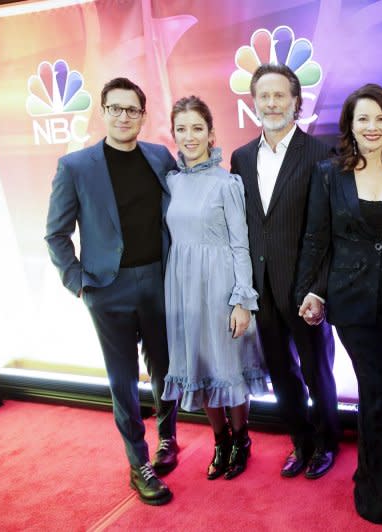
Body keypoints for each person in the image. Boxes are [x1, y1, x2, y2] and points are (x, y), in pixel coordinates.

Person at [295, 84, 382, 523]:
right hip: (351, 301)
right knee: (376, 393)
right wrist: (310, 291)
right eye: (363, 119)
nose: (372, 127)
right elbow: (317, 237)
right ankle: (380, 493)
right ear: (350, 125)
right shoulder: (330, 174)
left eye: (380, 118)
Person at [45, 77, 179, 505]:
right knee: (122, 380)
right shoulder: (76, 166)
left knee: (165, 367)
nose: (124, 117)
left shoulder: (160, 157)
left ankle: (168, 438)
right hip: (108, 288)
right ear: (103, 111)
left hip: (160, 280)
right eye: (116, 108)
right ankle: (137, 462)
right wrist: (80, 283)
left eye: (132, 110)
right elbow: (56, 235)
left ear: (143, 115)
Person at [230, 63, 340, 479]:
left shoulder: (320, 153)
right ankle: (301, 441)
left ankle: (327, 442)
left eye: (280, 95)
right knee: (281, 374)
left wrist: (320, 288)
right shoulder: (241, 158)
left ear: (297, 102)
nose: (272, 103)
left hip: (306, 289)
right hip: (262, 290)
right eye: (264, 96)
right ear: (254, 102)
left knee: (317, 372)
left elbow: (332, 230)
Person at [160, 96, 266, 481]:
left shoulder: (227, 183)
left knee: (228, 365)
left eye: (197, 128)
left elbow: (241, 244)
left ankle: (241, 439)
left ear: (211, 133)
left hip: (221, 285)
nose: (190, 137)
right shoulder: (170, 182)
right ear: (173, 133)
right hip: (182, 286)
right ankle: (219, 439)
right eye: (182, 129)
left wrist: (242, 300)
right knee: (199, 364)